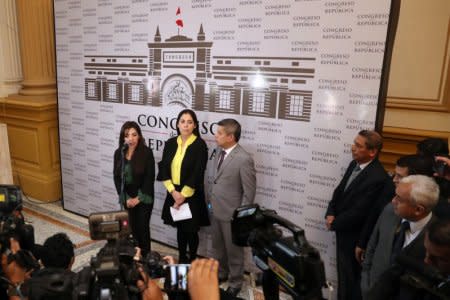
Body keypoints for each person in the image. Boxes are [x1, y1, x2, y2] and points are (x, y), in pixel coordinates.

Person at [325, 129, 391, 300]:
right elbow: (340, 191)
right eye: (354, 143)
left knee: (351, 281)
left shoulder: (378, 177)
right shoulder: (354, 164)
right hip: (342, 230)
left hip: (355, 238)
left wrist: (335, 223)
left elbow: (361, 212)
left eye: (358, 145)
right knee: (343, 278)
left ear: (372, 152)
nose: (353, 148)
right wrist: (330, 212)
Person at [361, 175, 439, 298]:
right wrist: (366, 287)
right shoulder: (389, 211)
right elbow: (372, 247)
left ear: (418, 210)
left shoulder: (437, 238)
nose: (393, 201)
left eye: (399, 199)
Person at [208, 118, 256, 297]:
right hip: (216, 210)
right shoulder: (218, 151)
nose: (216, 135)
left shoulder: (244, 159)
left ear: (231, 137)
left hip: (232, 215)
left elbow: (249, 192)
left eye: (219, 133)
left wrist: (240, 217)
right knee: (218, 248)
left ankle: (236, 281)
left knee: (234, 251)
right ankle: (221, 273)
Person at [157, 109, 209, 263]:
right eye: (183, 121)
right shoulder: (171, 143)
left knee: (191, 230)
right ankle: (182, 257)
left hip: (191, 194)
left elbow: (198, 171)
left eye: (189, 122)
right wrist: (173, 192)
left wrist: (183, 195)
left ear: (194, 126)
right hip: (174, 192)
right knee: (180, 228)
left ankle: (192, 259)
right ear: (178, 124)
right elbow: (164, 168)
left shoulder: (200, 144)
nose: (186, 125)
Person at [113, 121, 155, 257]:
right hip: (127, 198)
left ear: (139, 136)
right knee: (131, 230)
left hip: (144, 197)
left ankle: (147, 258)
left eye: (134, 135)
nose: (130, 138)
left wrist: (138, 198)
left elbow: (150, 179)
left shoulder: (147, 153)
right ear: (123, 138)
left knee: (142, 229)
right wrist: (125, 198)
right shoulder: (118, 153)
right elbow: (117, 178)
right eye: (127, 135)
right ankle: (135, 258)